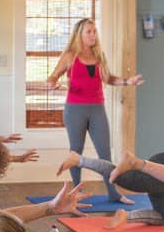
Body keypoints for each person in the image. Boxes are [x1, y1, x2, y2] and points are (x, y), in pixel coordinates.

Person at [47, 18, 144, 205]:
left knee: (105, 153)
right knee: (76, 153)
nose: (93, 35)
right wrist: (52, 83)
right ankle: (76, 194)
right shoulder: (70, 56)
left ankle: (113, 193)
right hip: (75, 110)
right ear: (80, 34)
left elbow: (108, 79)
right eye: (89, 32)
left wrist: (127, 81)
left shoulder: (100, 55)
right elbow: (53, 76)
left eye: (94, 31)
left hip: (97, 108)